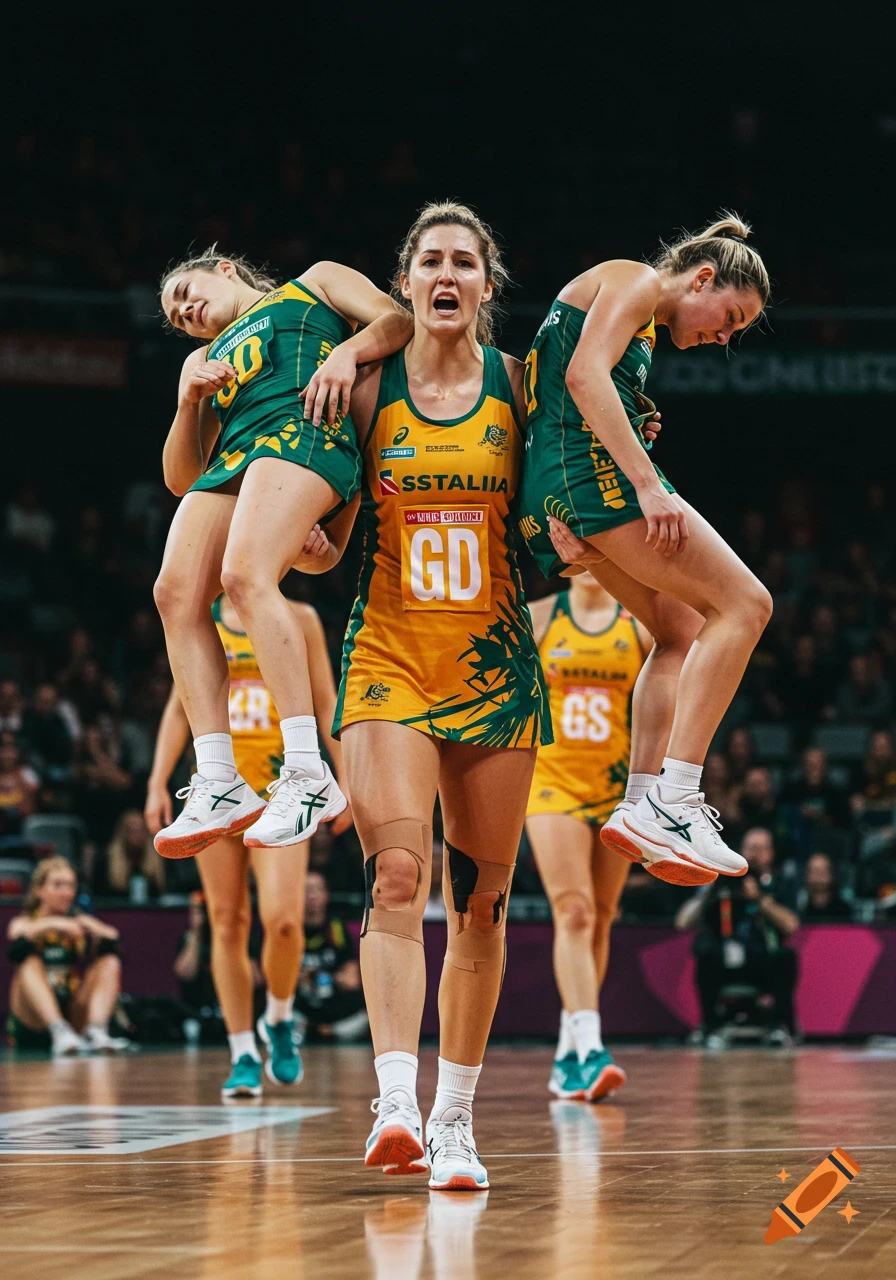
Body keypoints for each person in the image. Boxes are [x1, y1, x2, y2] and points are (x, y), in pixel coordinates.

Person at [311, 202, 552, 1190]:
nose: (446, 272)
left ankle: (455, 1119)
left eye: (464, 260)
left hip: (494, 668)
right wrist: (307, 539)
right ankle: (394, 1102)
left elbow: (564, 501)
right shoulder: (367, 390)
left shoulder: (519, 388)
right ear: (404, 282)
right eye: (429, 260)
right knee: (397, 877)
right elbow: (320, 528)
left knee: (483, 905)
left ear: (485, 286)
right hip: (389, 661)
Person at [518, 213, 774, 888]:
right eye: (730, 316)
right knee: (747, 605)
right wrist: (646, 484)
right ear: (703, 276)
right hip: (588, 477)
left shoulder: (637, 320)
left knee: (680, 629)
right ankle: (677, 795)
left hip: (560, 483)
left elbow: (554, 385)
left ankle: (639, 805)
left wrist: (632, 415)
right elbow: (581, 378)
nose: (724, 336)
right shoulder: (633, 279)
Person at [152, 249, 413, 859]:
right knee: (175, 594)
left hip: (304, 429)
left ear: (223, 268)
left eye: (186, 292)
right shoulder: (201, 359)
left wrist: (346, 353)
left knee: (243, 575)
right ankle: (219, 778)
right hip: (239, 461)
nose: (185, 312)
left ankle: (306, 770)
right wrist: (188, 402)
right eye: (176, 315)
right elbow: (182, 475)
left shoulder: (314, 282)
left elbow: (396, 322)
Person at [146, 593, 351, 1098]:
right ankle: (241, 1051)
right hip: (219, 790)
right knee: (227, 920)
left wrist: (346, 777)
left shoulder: (300, 616)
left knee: (283, 920)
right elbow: (178, 710)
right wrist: (156, 782)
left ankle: (278, 1018)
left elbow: (325, 702)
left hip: (282, 788)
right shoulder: (202, 618)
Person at [525, 572, 650, 1101]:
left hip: (616, 785)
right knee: (573, 910)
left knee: (601, 915)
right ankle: (592, 1047)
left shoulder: (639, 622)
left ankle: (567, 1050)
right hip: (550, 782)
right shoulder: (540, 616)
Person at [675, 827, 800, 1047]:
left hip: (761, 961)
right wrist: (712, 891)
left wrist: (759, 899)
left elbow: (791, 926)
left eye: (761, 849)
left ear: (771, 854)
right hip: (723, 961)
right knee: (703, 946)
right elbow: (683, 922)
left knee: (786, 956)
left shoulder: (778, 883)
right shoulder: (719, 880)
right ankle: (709, 1025)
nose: (754, 855)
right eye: (751, 848)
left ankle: (780, 1025)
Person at [6, 856, 129, 1054]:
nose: (66, 892)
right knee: (29, 962)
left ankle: (96, 1031)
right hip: (33, 1021)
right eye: (58, 885)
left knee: (109, 961)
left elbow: (114, 938)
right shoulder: (26, 921)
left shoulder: (78, 921)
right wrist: (54, 923)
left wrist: (90, 926)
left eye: (70, 886)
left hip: (72, 1013)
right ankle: (58, 1030)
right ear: (39, 890)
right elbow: (15, 939)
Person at [296, 870, 367, 1043]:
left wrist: (322, 977)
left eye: (316, 890)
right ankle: (305, 1032)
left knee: (365, 1017)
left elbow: (351, 978)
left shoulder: (336, 928)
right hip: (300, 1009)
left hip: (335, 1009)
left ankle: (327, 1033)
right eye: (306, 890)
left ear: (326, 895)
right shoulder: (289, 928)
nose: (311, 897)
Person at [100, 809, 166, 899]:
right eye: (132, 831)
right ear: (123, 833)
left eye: (140, 831)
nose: (137, 836)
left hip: (151, 911)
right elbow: (102, 897)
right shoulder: (107, 858)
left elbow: (163, 892)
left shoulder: (159, 857)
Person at [798, 852, 852, 921]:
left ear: (832, 875)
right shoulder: (799, 909)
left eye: (822, 872)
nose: (818, 877)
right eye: (813, 872)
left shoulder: (843, 912)